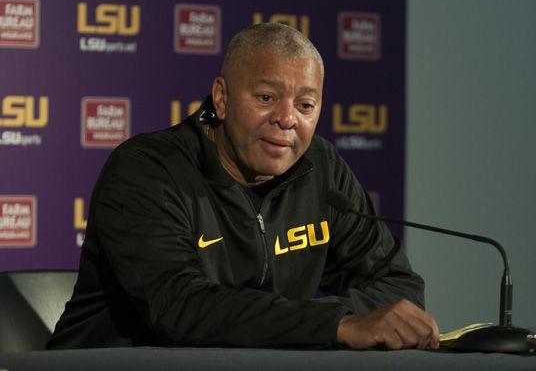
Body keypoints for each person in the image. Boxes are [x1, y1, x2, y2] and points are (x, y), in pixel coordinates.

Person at [48, 23, 440, 350]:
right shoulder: (147, 170)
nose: (287, 119)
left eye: (306, 105)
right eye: (267, 97)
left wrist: (348, 319)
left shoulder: (322, 169)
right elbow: (181, 308)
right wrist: (339, 323)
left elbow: (398, 286)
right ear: (222, 97)